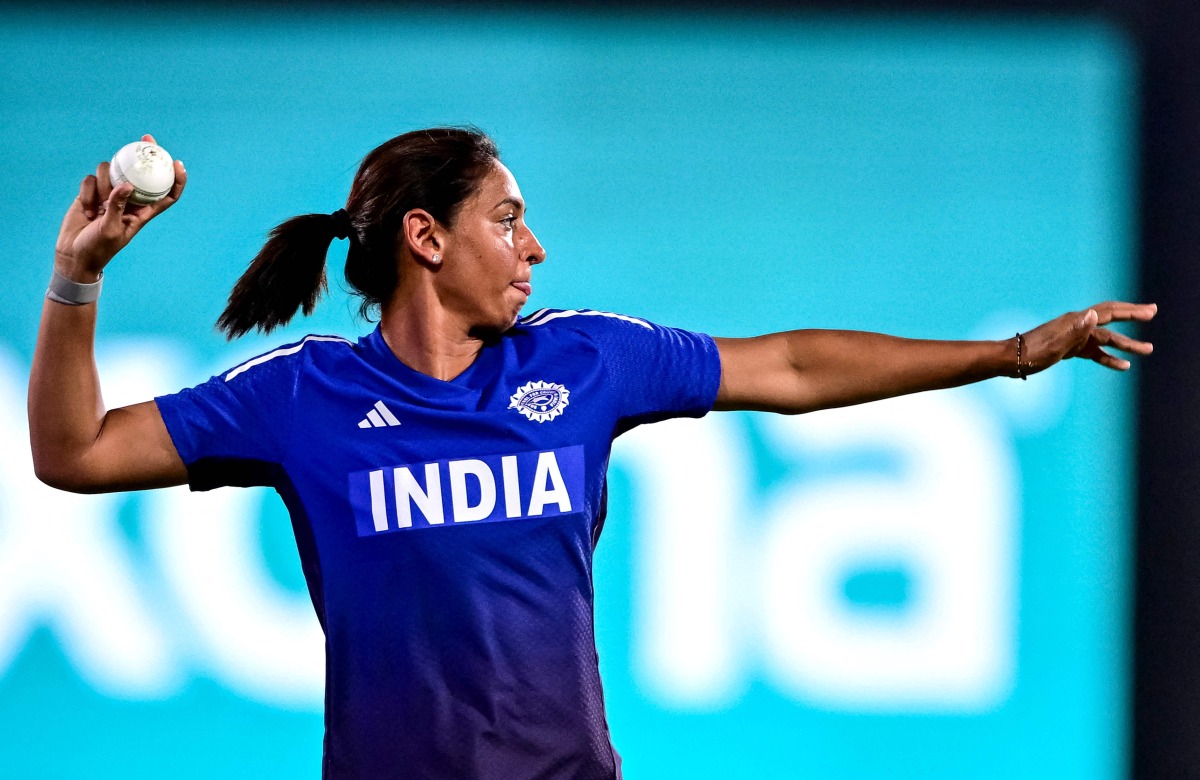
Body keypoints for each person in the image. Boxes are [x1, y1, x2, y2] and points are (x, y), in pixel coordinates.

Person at [29, 127, 1156, 779]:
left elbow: (795, 368)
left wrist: (1009, 354)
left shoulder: (582, 365)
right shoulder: (299, 397)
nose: (536, 246)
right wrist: (78, 281)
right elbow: (73, 453)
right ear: (426, 237)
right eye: (507, 219)